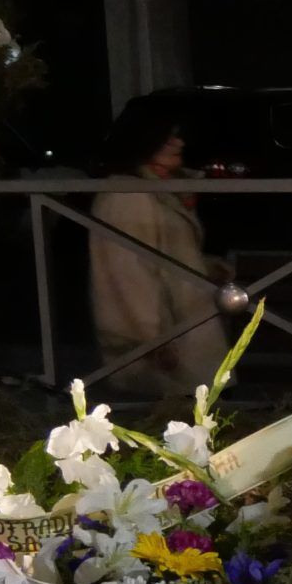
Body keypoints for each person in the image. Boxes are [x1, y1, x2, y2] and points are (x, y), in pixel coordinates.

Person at [88, 112, 230, 395]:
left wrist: (205, 269)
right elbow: (127, 274)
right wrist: (151, 340)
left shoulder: (158, 190)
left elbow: (165, 255)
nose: (178, 142)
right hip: (167, 350)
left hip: (183, 333)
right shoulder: (128, 196)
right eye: (168, 137)